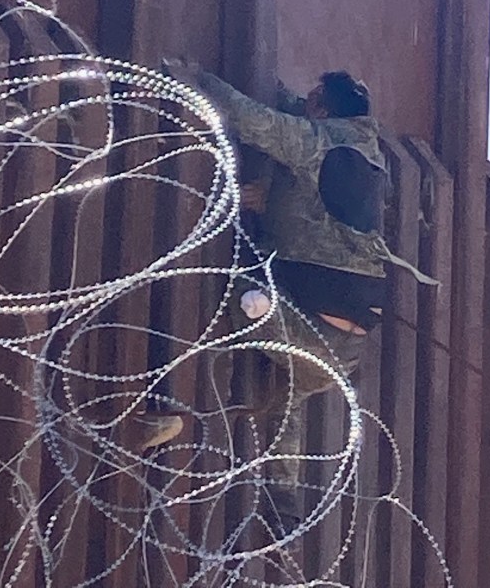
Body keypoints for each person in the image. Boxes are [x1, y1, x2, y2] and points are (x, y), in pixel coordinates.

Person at [160, 62, 438, 537]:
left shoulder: (317, 142)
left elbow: (251, 120)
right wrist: (272, 201)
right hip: (344, 351)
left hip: (302, 321)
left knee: (243, 295)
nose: (304, 105)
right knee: (291, 392)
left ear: (323, 109)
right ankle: (282, 493)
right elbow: (319, 212)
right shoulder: (368, 158)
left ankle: (244, 321)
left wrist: (198, 78)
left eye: (312, 101)